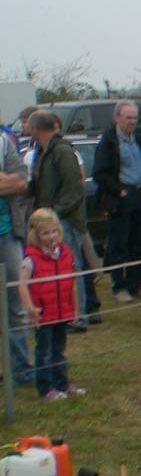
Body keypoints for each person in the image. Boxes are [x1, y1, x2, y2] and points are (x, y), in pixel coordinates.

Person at [28, 109, 100, 330]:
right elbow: (39, 185)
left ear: (36, 129)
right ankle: (64, 314)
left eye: (29, 127)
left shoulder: (62, 151)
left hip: (66, 221)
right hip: (52, 219)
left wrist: (53, 216)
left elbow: (74, 190)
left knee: (72, 267)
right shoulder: (43, 152)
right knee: (58, 270)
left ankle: (79, 317)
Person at [20, 208, 84, 399]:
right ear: (36, 235)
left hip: (62, 312)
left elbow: (72, 282)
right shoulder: (31, 259)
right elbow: (21, 285)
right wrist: (30, 309)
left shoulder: (65, 253)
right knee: (44, 352)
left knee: (59, 351)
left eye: (54, 231)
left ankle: (62, 384)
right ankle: (46, 389)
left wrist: (75, 308)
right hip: (44, 314)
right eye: (45, 233)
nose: (51, 236)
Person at [91, 100, 141, 302]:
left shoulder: (139, 140)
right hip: (121, 197)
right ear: (117, 118)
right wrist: (120, 191)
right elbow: (100, 174)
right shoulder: (108, 142)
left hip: (139, 194)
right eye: (128, 117)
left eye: (134, 118)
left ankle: (135, 284)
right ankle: (119, 286)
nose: (132, 121)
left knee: (139, 242)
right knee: (118, 244)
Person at [0, 132, 34, 385]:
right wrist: (5, 181)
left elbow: (22, 181)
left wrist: (12, 181)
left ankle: (20, 370)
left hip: (7, 233)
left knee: (16, 305)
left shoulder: (3, 142)